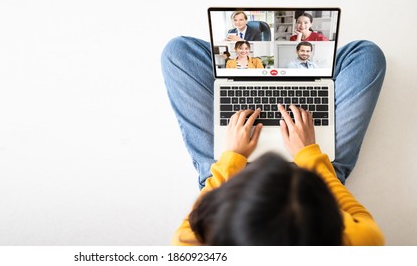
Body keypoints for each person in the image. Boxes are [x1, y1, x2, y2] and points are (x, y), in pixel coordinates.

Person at [161, 36, 386, 245]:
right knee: (366, 55)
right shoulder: (359, 241)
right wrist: (309, 153)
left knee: (177, 51)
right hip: (315, 183)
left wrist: (231, 156)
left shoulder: (194, 245)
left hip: (230, 188)